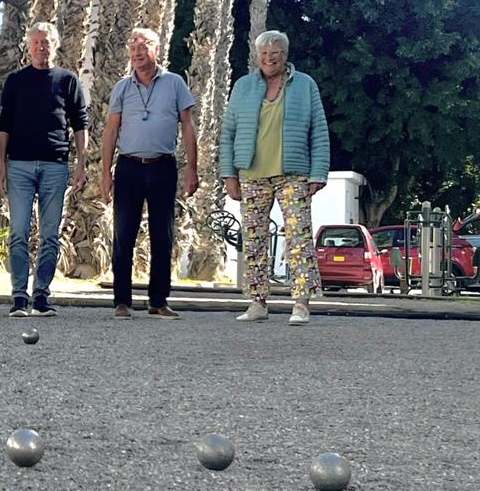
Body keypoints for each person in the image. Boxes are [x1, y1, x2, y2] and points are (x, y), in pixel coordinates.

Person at [220, 30, 330, 325]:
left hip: (293, 174)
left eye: (276, 52)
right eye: (264, 53)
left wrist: (318, 173)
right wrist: (229, 174)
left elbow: (319, 130)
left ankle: (301, 303)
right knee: (254, 240)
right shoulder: (243, 87)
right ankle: (257, 303)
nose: (269, 58)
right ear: (258, 57)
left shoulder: (305, 85)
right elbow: (227, 133)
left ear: (285, 55)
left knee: (298, 238)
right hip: (252, 174)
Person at [101, 27, 198, 320]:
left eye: (143, 46)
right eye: (132, 47)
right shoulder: (122, 87)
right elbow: (110, 131)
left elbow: (188, 127)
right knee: (124, 235)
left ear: (157, 49)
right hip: (129, 167)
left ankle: (158, 300)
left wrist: (192, 168)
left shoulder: (174, 83)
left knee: (163, 235)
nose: (137, 52)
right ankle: (122, 301)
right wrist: (105, 173)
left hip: (162, 166)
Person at [0, 22, 89, 317]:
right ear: (28, 45)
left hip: (55, 165)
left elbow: (80, 124)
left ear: (54, 44)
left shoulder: (67, 80)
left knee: (50, 234)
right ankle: (19, 296)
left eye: (46, 41)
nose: (40, 47)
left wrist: (81, 163)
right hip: (19, 165)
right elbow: (4, 125)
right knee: (19, 232)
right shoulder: (16, 81)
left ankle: (42, 294)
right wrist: (1, 166)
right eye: (35, 42)